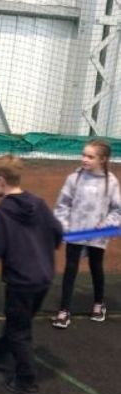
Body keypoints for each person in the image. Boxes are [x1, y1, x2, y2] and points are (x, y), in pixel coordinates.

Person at [0, 155, 62, 394]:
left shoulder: (2, 212)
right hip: (44, 277)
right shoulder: (39, 204)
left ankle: (27, 383)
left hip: (21, 280)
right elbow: (58, 232)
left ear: (1, 180)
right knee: (20, 320)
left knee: (20, 331)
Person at [52, 139, 121, 328]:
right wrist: (66, 226)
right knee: (70, 269)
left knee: (96, 267)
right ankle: (64, 311)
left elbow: (117, 209)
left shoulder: (110, 182)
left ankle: (98, 303)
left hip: (97, 235)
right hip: (75, 232)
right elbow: (62, 205)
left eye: (90, 157)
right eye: (84, 155)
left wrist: (106, 225)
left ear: (102, 159)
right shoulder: (74, 178)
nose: (85, 159)